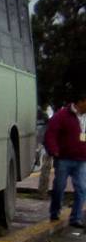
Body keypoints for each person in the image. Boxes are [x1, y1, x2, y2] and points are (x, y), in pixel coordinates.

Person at [43, 92, 86, 229]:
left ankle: (76, 217)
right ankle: (55, 211)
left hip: (81, 159)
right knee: (59, 187)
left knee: (81, 188)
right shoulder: (62, 115)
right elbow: (51, 133)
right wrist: (54, 150)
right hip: (64, 158)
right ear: (81, 101)